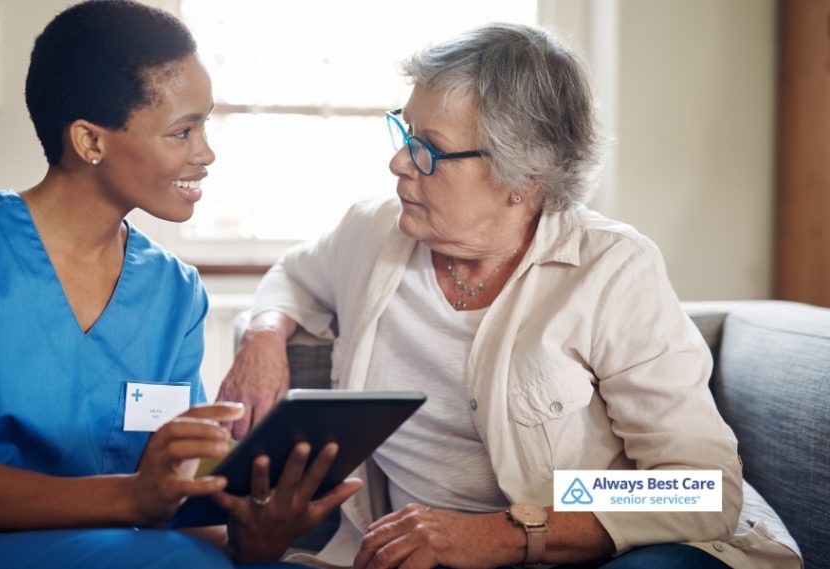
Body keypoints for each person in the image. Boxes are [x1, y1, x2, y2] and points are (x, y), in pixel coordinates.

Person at [217, 23, 802, 569]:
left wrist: (508, 530)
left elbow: (699, 485)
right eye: (403, 131)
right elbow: (293, 277)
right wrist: (265, 334)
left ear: (524, 178)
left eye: (429, 148)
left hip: (588, 552)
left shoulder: (611, 269)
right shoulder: (371, 232)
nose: (398, 162)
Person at [0, 2, 360, 567]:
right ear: (90, 141)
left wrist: (254, 539)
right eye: (183, 131)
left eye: (205, 124)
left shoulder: (174, 291)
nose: (206, 153)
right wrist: (136, 496)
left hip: (108, 542)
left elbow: (173, 501)